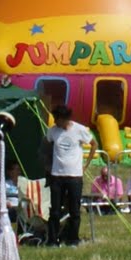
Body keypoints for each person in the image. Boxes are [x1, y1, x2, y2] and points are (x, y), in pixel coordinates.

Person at [42, 103, 90, 245]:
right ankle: (52, 240)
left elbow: (94, 144)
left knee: (75, 210)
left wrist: (85, 165)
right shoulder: (52, 132)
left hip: (75, 176)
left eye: (58, 119)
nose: (56, 122)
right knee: (55, 210)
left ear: (65, 118)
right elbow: (46, 146)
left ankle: (73, 239)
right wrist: (48, 165)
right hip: (57, 176)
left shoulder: (79, 130)